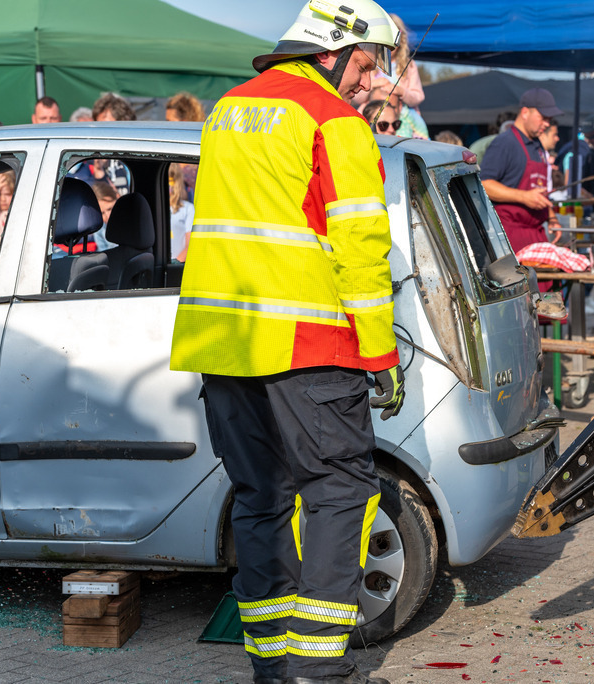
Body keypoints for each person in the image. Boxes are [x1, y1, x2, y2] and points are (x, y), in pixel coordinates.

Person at [169, 2, 405, 683]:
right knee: (340, 494)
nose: (368, 84)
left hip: (223, 344)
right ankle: (315, 668)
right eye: (364, 65)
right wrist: (380, 356)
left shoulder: (228, 110)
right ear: (331, 52)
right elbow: (360, 251)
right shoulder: (333, 122)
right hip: (311, 348)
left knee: (260, 498)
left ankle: (273, 667)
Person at [480, 88, 563, 252]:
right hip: (509, 237)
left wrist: (551, 217)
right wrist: (524, 197)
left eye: (549, 119)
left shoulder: (538, 146)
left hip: (536, 233)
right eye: (543, 118)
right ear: (525, 112)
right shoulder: (505, 143)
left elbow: (539, 191)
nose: (547, 124)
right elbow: (484, 185)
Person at [168, 163, 194, 261]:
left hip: (177, 267)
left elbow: (190, 246)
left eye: (171, 179)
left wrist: (175, 263)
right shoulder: (153, 208)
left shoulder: (188, 209)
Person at [90, 180, 118, 252]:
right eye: (102, 213)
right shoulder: (100, 229)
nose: (108, 216)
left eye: (110, 209)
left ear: (116, 199)